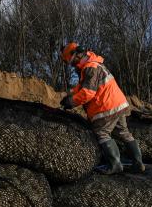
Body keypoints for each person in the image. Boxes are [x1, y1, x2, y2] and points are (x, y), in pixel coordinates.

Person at [60, 42, 145, 174]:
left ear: (75, 56)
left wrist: (71, 102)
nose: (72, 65)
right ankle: (138, 163)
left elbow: (88, 92)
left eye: (71, 62)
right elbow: (82, 87)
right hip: (118, 104)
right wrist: (71, 94)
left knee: (102, 133)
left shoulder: (90, 68)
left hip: (106, 107)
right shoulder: (93, 64)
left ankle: (115, 165)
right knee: (124, 133)